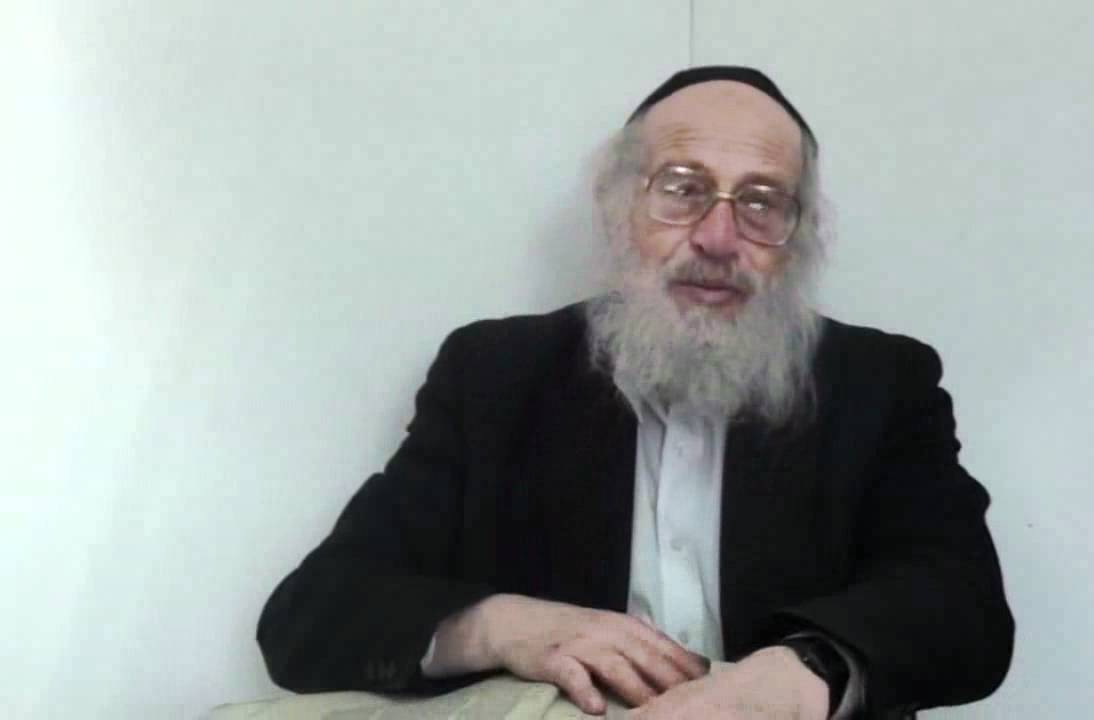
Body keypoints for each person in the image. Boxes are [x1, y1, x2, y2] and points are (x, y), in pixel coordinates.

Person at [256, 66, 1014, 720]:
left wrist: (800, 676)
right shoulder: (494, 373)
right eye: (682, 190)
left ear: (799, 235)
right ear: (618, 206)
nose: (718, 238)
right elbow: (312, 615)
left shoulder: (881, 381)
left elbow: (963, 605)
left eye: (761, 202)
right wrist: (505, 627)